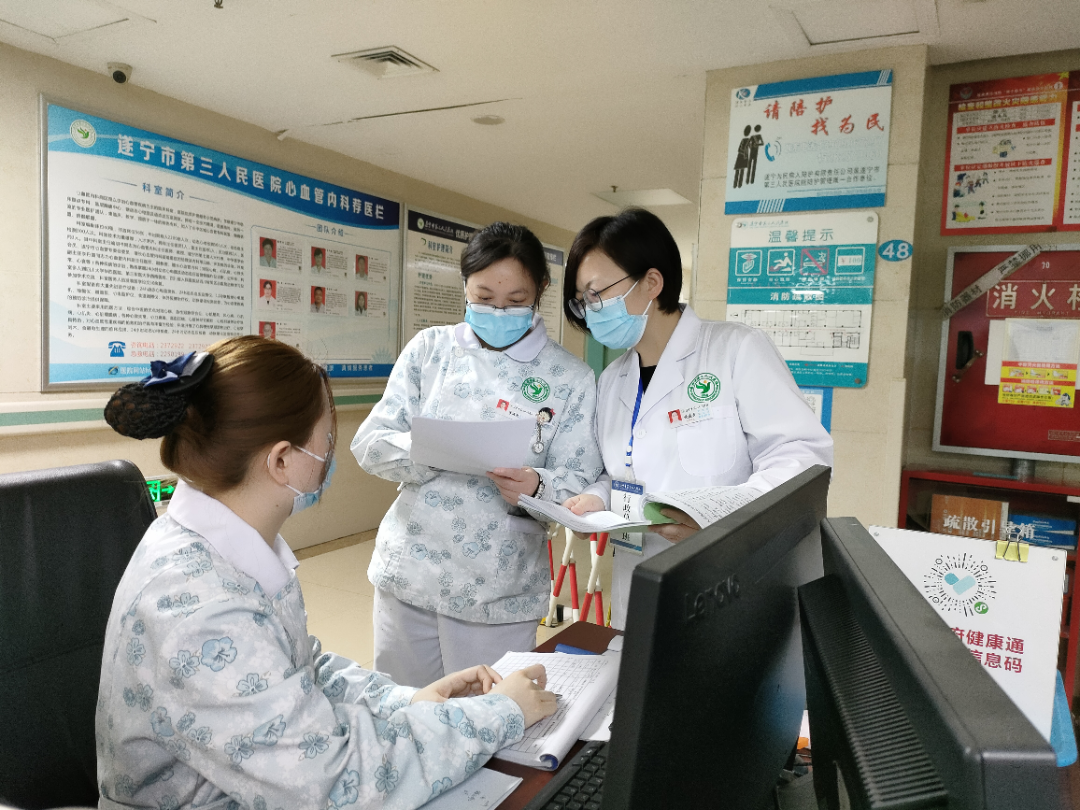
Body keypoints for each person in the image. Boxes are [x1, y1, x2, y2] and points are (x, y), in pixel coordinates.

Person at [97, 337, 556, 810]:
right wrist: (498, 714)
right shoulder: (204, 609)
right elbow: (334, 786)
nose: (331, 451)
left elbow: (298, 669)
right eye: (326, 438)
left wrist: (405, 701)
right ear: (281, 460)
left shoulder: (221, 544)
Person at [352, 222, 603, 687]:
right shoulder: (430, 350)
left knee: (488, 713)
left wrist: (537, 485)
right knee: (403, 707)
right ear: (465, 285)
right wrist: (427, 451)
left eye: (515, 300)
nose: (498, 311)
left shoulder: (569, 378)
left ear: (541, 289)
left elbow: (581, 480)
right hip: (410, 572)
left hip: (498, 586)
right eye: (484, 298)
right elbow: (370, 443)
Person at [559, 209, 833, 630]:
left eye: (596, 294)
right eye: (582, 300)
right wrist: (595, 499)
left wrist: (717, 520)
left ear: (651, 282)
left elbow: (800, 457)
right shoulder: (613, 380)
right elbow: (621, 472)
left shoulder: (735, 349)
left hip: (729, 578)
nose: (590, 310)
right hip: (640, 579)